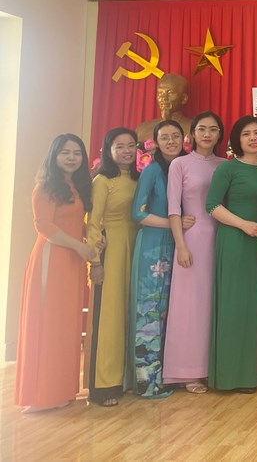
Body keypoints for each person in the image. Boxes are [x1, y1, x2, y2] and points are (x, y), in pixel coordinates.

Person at [16, 134, 96, 413]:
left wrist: (90, 238)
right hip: (51, 259)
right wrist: (80, 246)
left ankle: (61, 390)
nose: (72, 158)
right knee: (47, 324)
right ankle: (40, 394)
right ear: (54, 155)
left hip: (72, 261)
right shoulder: (45, 187)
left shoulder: (75, 186)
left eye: (77, 153)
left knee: (66, 325)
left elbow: (72, 221)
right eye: (65, 153)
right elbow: (45, 226)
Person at [163, 111, 225, 393]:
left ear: (220, 134)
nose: (207, 134)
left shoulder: (225, 165)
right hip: (192, 240)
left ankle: (213, 367)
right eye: (202, 129)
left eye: (213, 129)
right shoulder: (180, 164)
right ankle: (188, 371)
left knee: (214, 304)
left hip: (222, 238)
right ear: (193, 134)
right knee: (190, 306)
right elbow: (173, 209)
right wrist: (180, 245)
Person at [206, 116, 257, 392]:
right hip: (235, 241)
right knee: (234, 306)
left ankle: (253, 374)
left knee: (255, 308)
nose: (253, 138)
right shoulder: (228, 168)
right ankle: (230, 376)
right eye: (246, 134)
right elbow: (211, 205)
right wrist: (243, 224)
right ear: (236, 140)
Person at [129, 120, 190, 398]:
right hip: (153, 247)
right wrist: (173, 223)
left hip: (178, 245)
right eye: (164, 137)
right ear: (155, 142)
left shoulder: (185, 167)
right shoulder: (152, 170)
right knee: (150, 312)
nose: (171, 141)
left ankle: (172, 373)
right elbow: (138, 213)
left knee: (171, 310)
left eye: (175, 136)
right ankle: (148, 382)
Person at [84, 127, 140, 407]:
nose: (127, 151)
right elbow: (93, 223)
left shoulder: (137, 178)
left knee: (129, 313)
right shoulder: (102, 181)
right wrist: (95, 261)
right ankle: (104, 385)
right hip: (112, 250)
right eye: (120, 146)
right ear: (108, 150)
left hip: (135, 245)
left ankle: (125, 378)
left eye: (131, 145)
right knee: (110, 317)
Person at [136, 73, 193, 144]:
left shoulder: (193, 129)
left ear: (184, 98)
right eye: (160, 93)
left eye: (170, 93)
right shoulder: (142, 129)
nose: (164, 98)